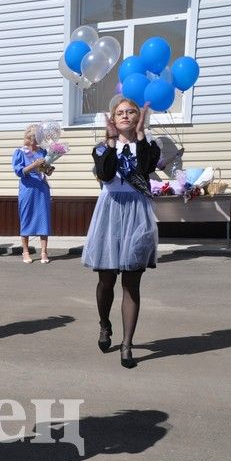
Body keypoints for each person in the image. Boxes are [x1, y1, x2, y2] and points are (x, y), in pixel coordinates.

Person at [82, 99, 159, 369]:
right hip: (110, 213)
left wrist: (140, 136)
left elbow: (147, 168)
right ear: (113, 119)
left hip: (137, 215)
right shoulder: (103, 148)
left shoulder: (148, 146)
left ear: (139, 117)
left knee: (131, 283)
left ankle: (127, 345)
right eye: (120, 112)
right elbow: (105, 173)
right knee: (106, 281)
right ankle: (104, 324)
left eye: (131, 112)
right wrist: (113, 142)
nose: (125, 115)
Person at [13, 123, 54, 264]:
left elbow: (45, 171)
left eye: (39, 138)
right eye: (36, 138)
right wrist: (34, 165)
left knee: (44, 219)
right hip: (27, 190)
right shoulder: (20, 152)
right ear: (29, 137)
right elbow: (19, 172)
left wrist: (49, 168)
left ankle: (44, 252)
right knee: (26, 218)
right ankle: (25, 252)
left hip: (42, 189)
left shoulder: (43, 152)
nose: (37, 141)